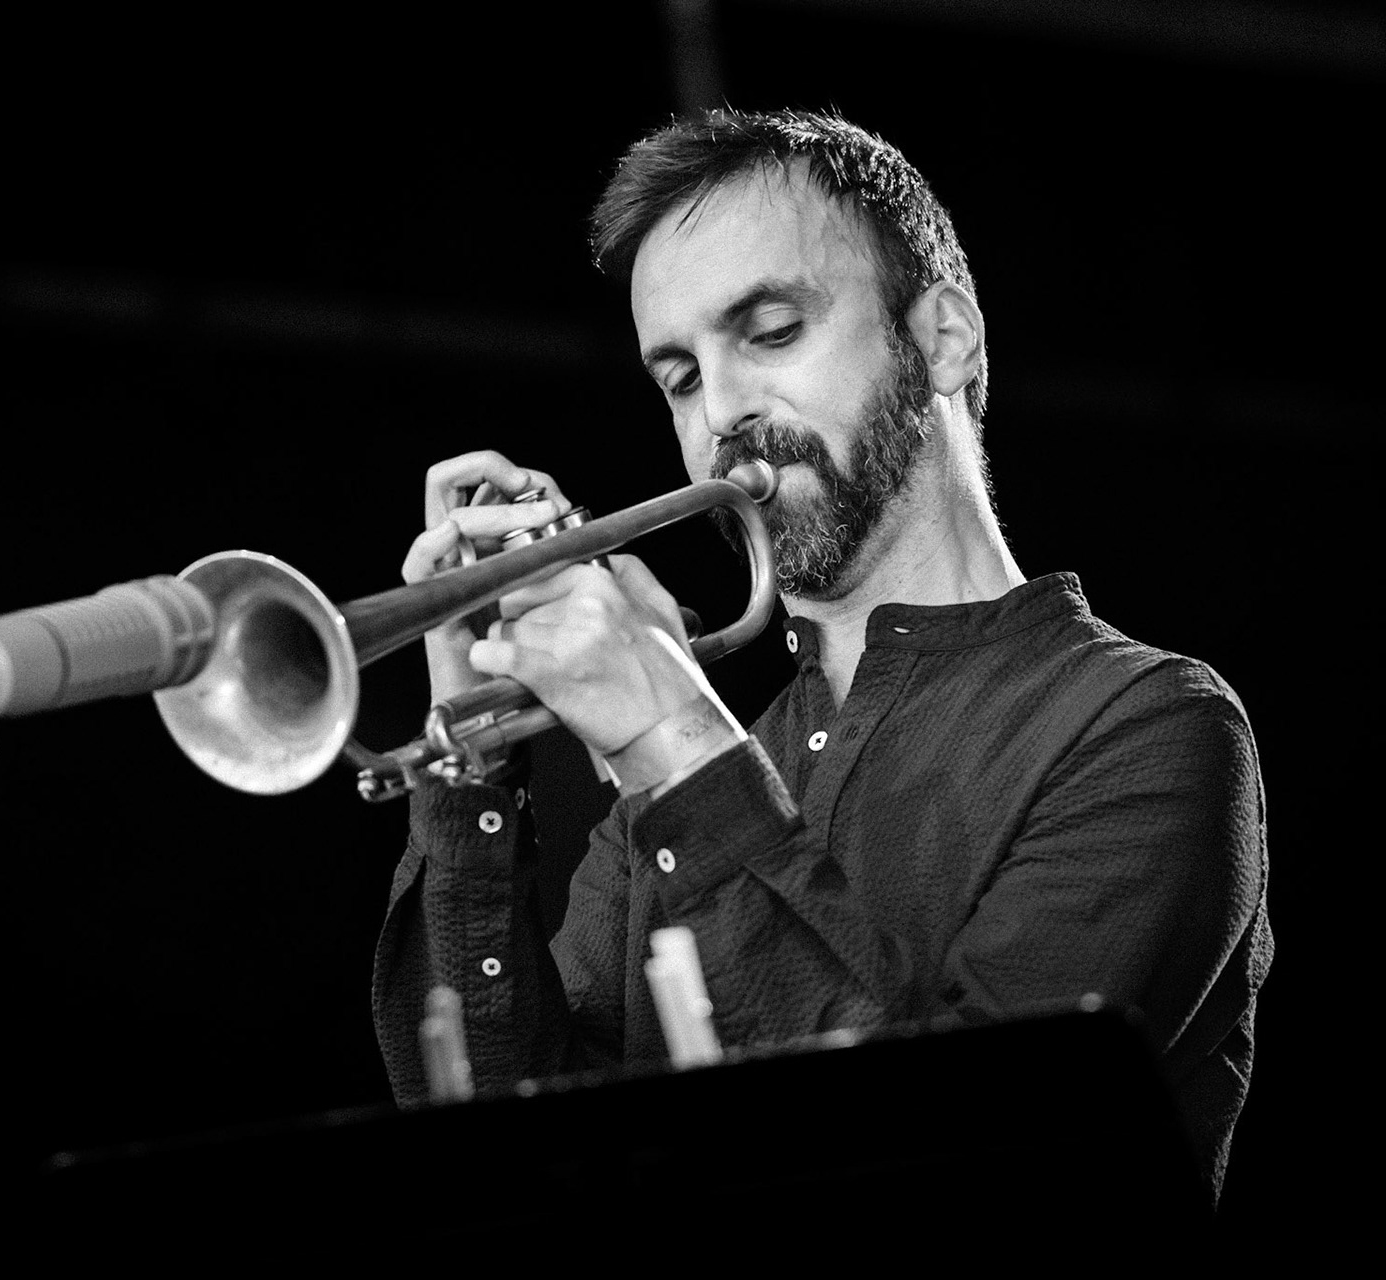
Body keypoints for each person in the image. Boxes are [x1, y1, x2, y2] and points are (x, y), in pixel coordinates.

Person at [369, 108, 1272, 1200]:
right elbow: (491, 1166)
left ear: (944, 336)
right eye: (682, 378)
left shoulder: (1146, 724)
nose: (726, 412)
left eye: (772, 331)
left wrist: (670, 734)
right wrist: (472, 768)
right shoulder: (684, 789)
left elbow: (948, 1170)